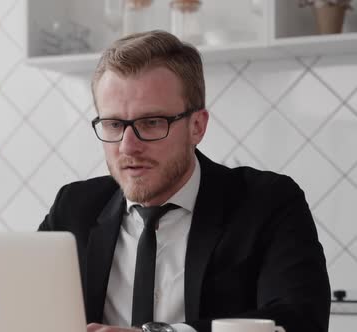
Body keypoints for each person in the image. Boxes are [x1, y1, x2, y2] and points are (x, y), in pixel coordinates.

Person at [37, 30, 330, 332]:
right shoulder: (73, 208)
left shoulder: (268, 203)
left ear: (197, 126)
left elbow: (300, 321)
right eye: (113, 124)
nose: (127, 146)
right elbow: (21, 306)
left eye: (151, 123)